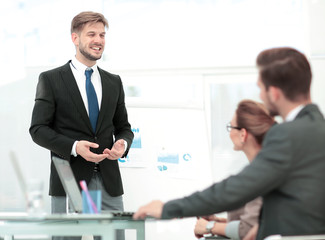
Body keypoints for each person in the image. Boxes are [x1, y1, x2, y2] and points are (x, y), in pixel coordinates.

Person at [133, 47, 325, 239]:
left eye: (260, 88)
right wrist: (264, 226)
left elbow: (236, 188)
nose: (260, 97)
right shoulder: (316, 128)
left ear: (274, 93)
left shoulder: (287, 134)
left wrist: (169, 208)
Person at [29, 11, 133, 240]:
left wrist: (122, 144)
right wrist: (75, 146)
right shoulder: (51, 79)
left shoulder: (113, 81)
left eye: (102, 35)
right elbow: (37, 130)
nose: (98, 40)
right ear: (75, 39)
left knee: (113, 237)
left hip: (108, 181)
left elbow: (123, 126)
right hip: (70, 180)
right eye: (92, 34)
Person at [194, 100, 274, 240]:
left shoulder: (260, 175)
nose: (229, 132)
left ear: (243, 134)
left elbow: (247, 230)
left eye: (231, 127)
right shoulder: (266, 168)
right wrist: (217, 222)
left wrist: (209, 227)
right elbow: (256, 223)